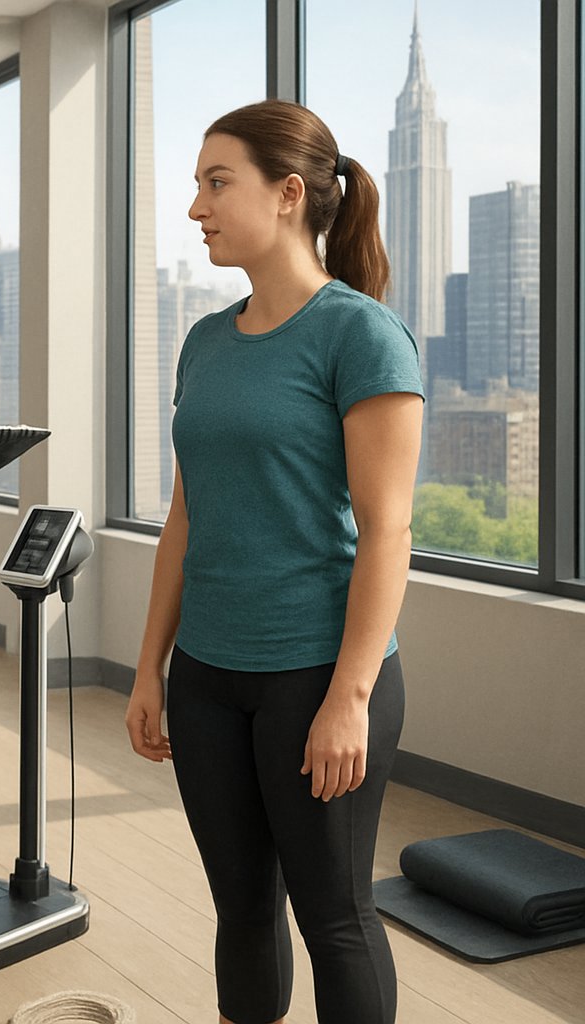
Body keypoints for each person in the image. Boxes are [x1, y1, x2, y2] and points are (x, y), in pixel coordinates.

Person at [125, 99, 424, 1024]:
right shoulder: (205, 342)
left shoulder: (360, 335)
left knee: (334, 916)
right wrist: (149, 667)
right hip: (211, 676)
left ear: (289, 194)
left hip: (317, 676)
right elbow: (186, 518)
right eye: (197, 185)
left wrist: (351, 698)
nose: (196, 207)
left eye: (218, 183)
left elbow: (388, 534)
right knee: (241, 910)